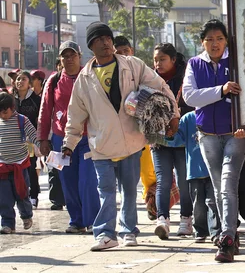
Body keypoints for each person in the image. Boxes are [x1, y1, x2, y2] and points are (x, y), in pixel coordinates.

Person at [62, 22, 179, 251]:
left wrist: (173, 114)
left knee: (128, 188)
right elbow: (75, 114)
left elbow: (161, 86)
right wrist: (69, 144)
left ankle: (128, 230)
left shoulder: (133, 65)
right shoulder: (84, 79)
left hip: (131, 140)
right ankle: (105, 233)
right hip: (101, 143)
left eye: (107, 38)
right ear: (90, 46)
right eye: (99, 40)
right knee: (105, 190)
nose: (105, 43)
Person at [182, 19, 245, 263]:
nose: (214, 43)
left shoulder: (238, 61)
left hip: (236, 133)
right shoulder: (194, 64)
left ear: (226, 41)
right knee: (218, 187)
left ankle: (227, 237)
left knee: (228, 183)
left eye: (219, 38)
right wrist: (221, 90)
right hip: (207, 135)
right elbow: (190, 97)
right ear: (202, 42)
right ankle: (230, 231)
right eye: (209, 39)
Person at [38, 41, 100, 233]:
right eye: (65, 56)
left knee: (88, 180)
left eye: (72, 55)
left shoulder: (90, 76)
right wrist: (43, 139)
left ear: (79, 56)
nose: (69, 59)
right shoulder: (54, 81)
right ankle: (77, 221)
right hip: (60, 140)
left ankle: (93, 220)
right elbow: (45, 110)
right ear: (60, 59)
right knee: (68, 181)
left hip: (87, 138)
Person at [151, 43, 194, 240]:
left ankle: (186, 219)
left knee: (185, 181)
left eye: (162, 59)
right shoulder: (149, 79)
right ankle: (163, 220)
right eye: (155, 60)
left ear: (173, 60)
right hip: (158, 138)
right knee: (163, 180)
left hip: (183, 138)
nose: (158, 63)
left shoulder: (187, 77)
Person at [113, 35, 157, 220]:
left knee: (148, 171)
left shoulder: (141, 70)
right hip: (119, 133)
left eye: (126, 51)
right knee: (124, 180)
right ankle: (129, 216)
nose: (124, 55)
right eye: (119, 52)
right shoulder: (110, 75)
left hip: (143, 130)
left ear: (132, 50)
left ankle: (152, 202)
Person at [179, 111, 220, 243]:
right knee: (198, 204)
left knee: (213, 202)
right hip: (194, 170)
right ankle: (200, 230)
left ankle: (215, 231)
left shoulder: (214, 114)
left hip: (213, 168)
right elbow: (177, 139)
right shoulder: (188, 118)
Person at [0, 92, 38, 234]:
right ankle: (7, 224)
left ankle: (26, 216)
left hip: (20, 166)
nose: (3, 115)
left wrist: (42, 146)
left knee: (21, 194)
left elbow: (34, 135)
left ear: (12, 107)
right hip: (2, 167)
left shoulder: (22, 120)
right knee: (4, 198)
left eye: (5, 112)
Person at [13, 71, 42, 210]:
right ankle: (17, 196)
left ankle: (34, 196)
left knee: (30, 166)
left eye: (23, 79)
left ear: (29, 83)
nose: (20, 81)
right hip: (13, 139)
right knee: (15, 168)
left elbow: (41, 119)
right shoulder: (10, 99)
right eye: (18, 79)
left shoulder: (36, 100)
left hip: (30, 139)